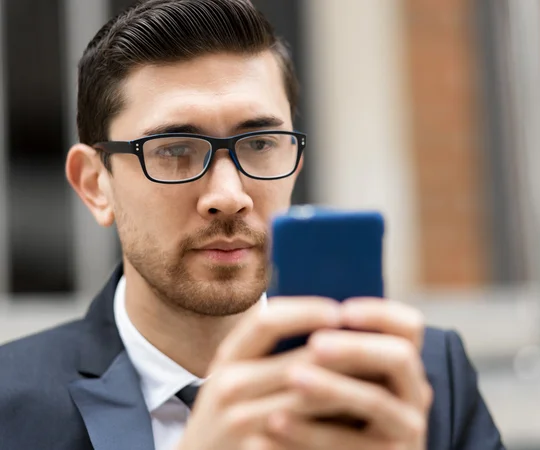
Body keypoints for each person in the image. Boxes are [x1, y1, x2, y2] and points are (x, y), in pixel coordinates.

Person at [0, 1, 505, 449]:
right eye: (176, 150)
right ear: (94, 184)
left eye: (260, 145)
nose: (228, 196)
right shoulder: (10, 403)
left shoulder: (424, 378)